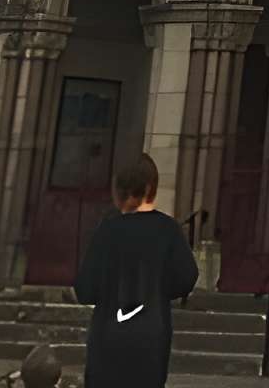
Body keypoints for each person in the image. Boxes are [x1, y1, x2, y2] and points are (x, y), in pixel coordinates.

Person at [73, 152, 197, 388]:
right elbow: (187, 277)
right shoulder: (168, 230)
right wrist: (159, 290)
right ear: (152, 188)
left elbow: (85, 289)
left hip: (108, 335)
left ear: (118, 190)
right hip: (151, 334)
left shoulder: (107, 231)